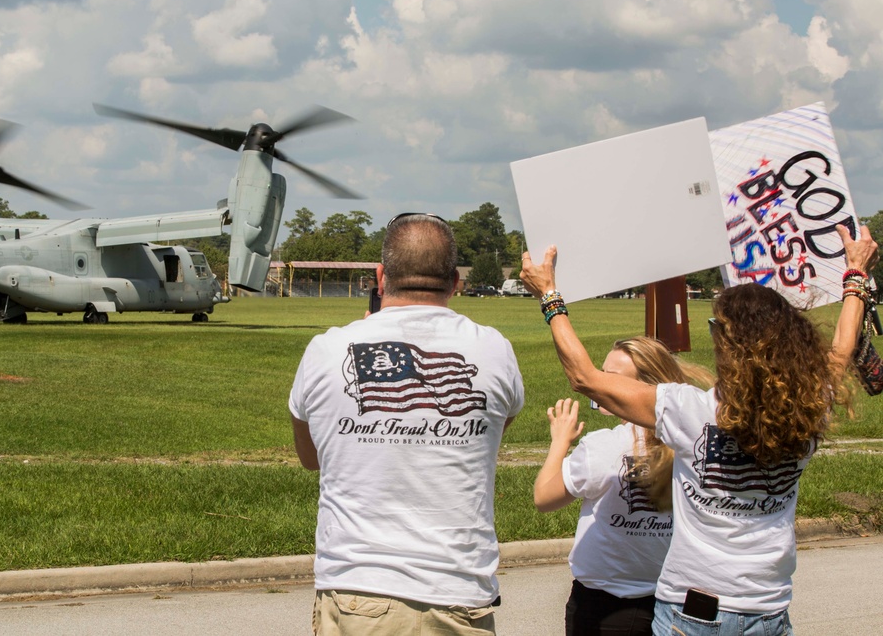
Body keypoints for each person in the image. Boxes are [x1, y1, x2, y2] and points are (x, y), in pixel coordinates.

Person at [520, 224, 878, 636]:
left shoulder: (689, 410)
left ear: (727, 344)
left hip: (696, 611)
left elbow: (585, 377)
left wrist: (549, 295)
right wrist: (855, 277)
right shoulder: (809, 405)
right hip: (769, 607)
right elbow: (841, 351)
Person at [290, 212, 525, 635]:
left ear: (381, 277)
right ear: (456, 281)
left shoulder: (327, 350)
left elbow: (311, 458)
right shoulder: (494, 350)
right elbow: (491, 435)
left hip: (358, 590)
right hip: (459, 593)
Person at [536, 337, 710, 636]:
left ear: (641, 388)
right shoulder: (697, 443)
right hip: (677, 602)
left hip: (606, 608)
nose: (598, 383)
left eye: (609, 378)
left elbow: (544, 497)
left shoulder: (603, 446)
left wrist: (560, 442)